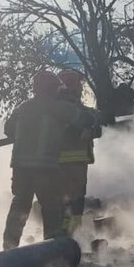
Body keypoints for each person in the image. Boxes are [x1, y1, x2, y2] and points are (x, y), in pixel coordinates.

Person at [2, 71, 96, 250]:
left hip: (20, 168)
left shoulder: (24, 108)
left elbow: (8, 130)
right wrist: (99, 118)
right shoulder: (58, 108)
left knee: (19, 207)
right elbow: (85, 119)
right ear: (53, 89)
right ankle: (52, 249)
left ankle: (9, 246)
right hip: (45, 167)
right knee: (52, 208)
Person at [56, 70, 102, 235]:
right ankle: (67, 235)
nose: (81, 89)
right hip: (70, 164)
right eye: (78, 85)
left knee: (73, 202)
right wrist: (96, 123)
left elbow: (91, 119)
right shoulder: (65, 109)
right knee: (72, 202)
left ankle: (70, 234)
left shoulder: (67, 107)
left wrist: (99, 119)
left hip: (74, 163)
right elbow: (83, 126)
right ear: (69, 86)